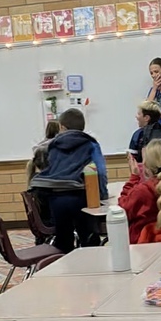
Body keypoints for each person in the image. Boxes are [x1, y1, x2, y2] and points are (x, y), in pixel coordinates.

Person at [30, 108, 107, 254]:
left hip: (56, 198)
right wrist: (102, 195)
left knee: (63, 242)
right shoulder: (90, 144)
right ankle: (91, 270)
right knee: (89, 239)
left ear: (62, 127)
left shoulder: (53, 145)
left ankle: (66, 271)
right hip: (80, 196)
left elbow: (48, 168)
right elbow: (101, 172)